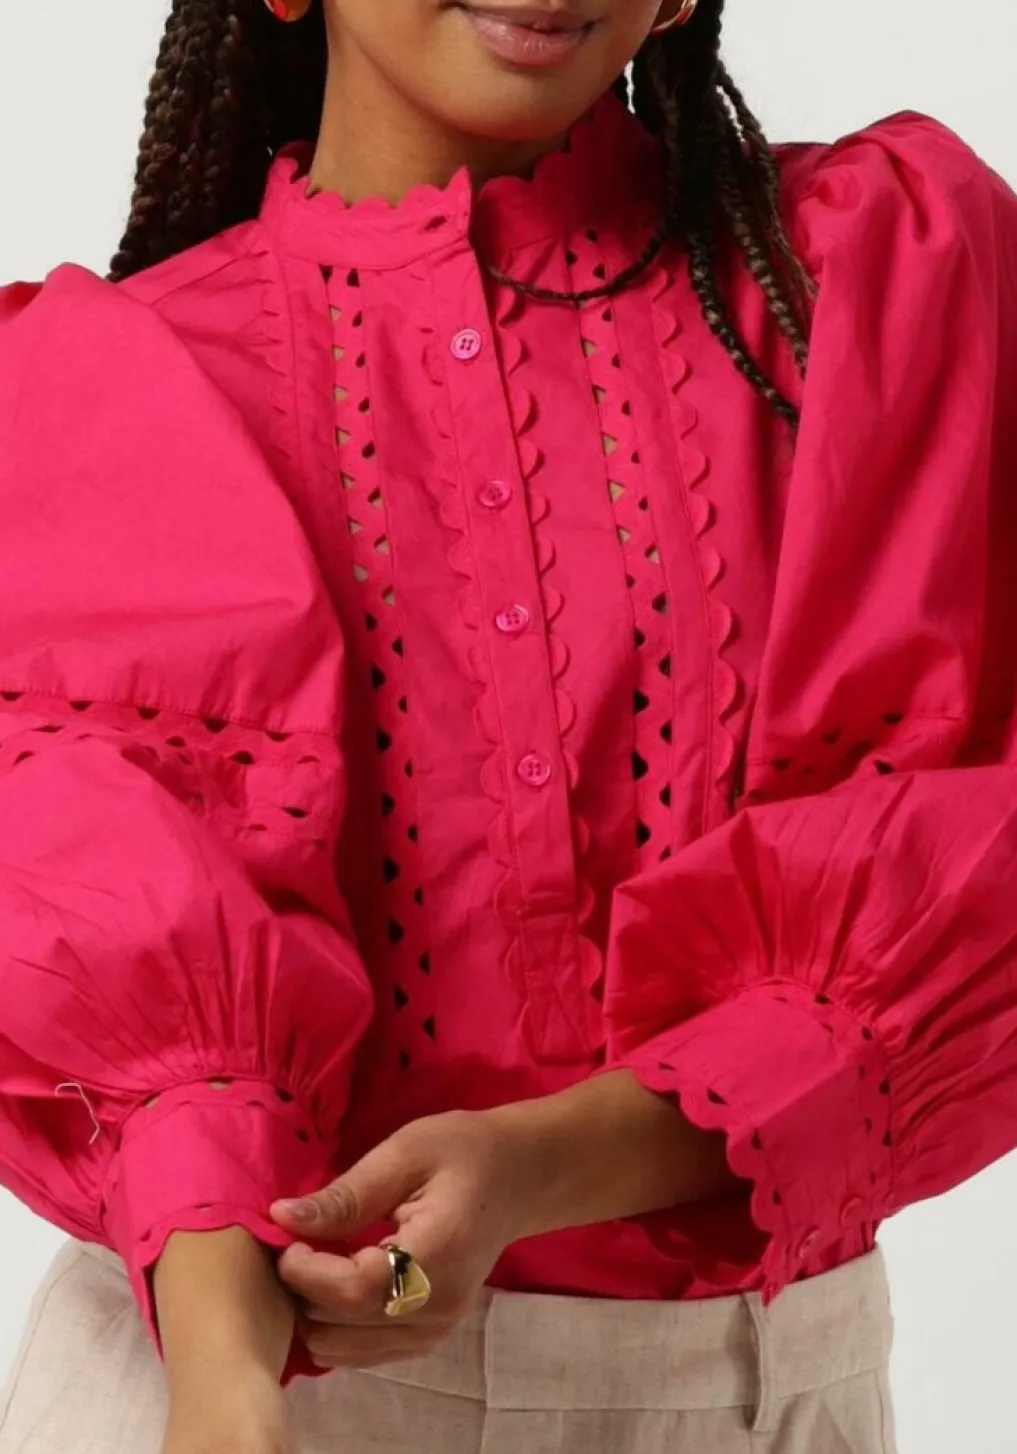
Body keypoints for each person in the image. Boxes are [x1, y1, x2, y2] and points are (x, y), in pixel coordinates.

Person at [1, 0, 1016, 1450]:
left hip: (744, 1393)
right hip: (243, 1386)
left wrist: (535, 1168)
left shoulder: (857, 293)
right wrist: (225, 1386)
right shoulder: (109, 390)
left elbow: (967, 862)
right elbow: (126, 951)